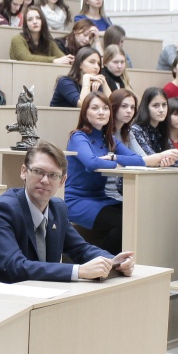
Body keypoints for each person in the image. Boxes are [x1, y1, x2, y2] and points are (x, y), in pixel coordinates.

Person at [0, 141, 134, 291]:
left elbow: (81, 249)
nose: (45, 180)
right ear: (23, 172)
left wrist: (114, 261)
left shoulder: (58, 208)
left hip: (29, 296)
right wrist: (79, 271)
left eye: (53, 175)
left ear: (62, 181)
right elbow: (15, 266)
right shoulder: (4, 210)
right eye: (38, 171)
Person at [65, 92, 144, 252]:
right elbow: (92, 162)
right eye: (95, 108)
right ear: (85, 113)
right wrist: (118, 164)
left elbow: (138, 160)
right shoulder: (78, 137)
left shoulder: (108, 139)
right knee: (122, 221)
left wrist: (114, 157)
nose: (101, 112)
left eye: (105, 108)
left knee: (138, 213)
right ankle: (105, 262)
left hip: (100, 198)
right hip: (76, 200)